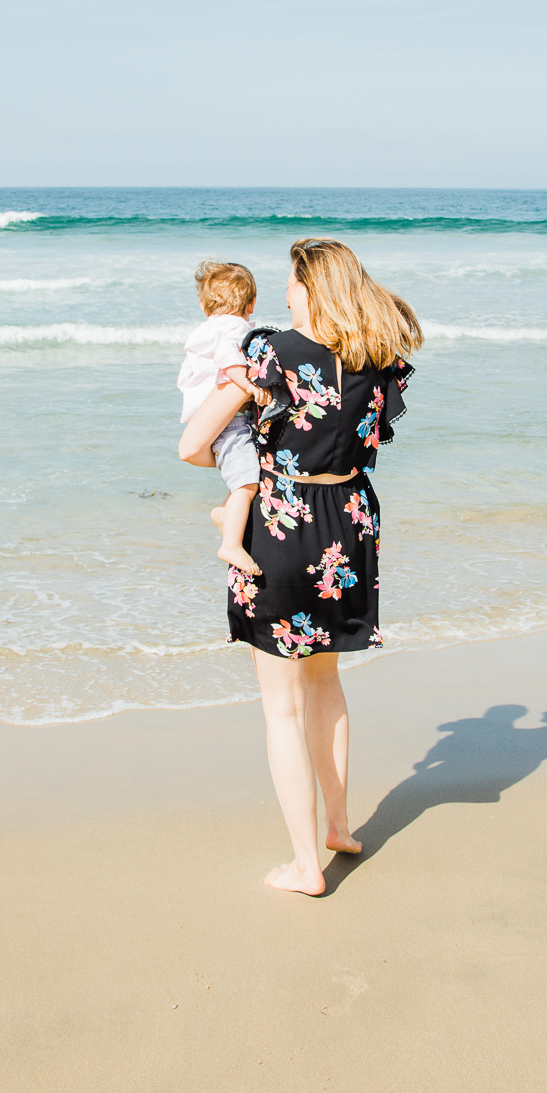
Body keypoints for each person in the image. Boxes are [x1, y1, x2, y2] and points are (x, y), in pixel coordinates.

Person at [180, 238, 421, 895]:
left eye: (291, 281)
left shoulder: (275, 354)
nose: (285, 292)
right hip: (349, 524)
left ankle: (305, 865)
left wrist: (238, 469)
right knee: (326, 685)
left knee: (281, 709)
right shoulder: (379, 359)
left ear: (310, 287)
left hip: (284, 527)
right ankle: (339, 826)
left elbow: (191, 445)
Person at [176, 260, 268, 576]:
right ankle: (230, 544)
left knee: (240, 469)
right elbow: (230, 357)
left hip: (205, 416)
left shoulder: (205, 329)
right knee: (247, 481)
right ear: (251, 303)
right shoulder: (237, 327)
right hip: (229, 417)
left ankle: (224, 512)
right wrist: (247, 385)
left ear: (205, 306)